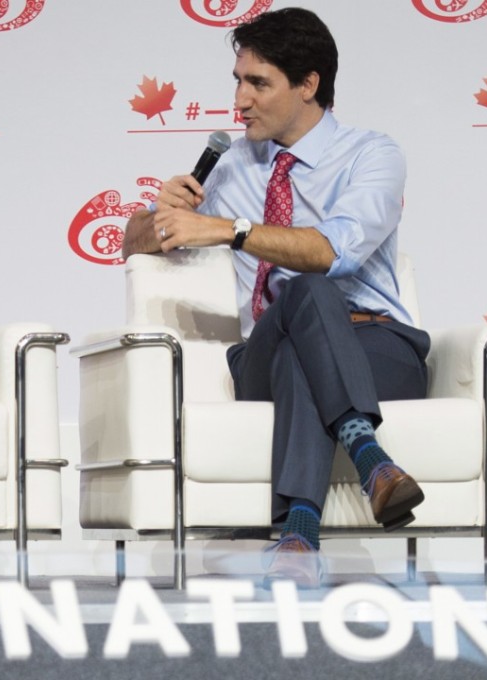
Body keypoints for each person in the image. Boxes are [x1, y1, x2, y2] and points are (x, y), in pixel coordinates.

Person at [122, 7, 429, 589]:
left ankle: (297, 539)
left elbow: (336, 251)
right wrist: (158, 216)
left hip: (378, 347)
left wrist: (231, 229)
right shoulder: (232, 164)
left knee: (308, 308)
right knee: (301, 305)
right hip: (259, 354)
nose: (240, 101)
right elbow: (132, 243)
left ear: (308, 84)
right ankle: (371, 459)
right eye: (237, 81)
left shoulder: (373, 155)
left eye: (258, 83)